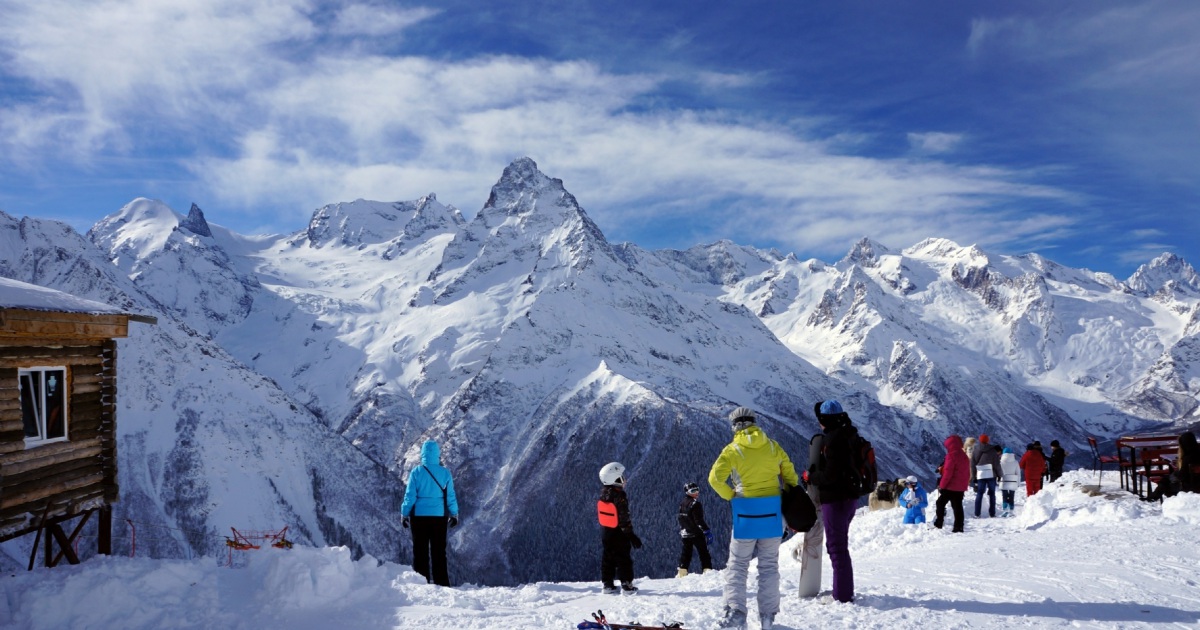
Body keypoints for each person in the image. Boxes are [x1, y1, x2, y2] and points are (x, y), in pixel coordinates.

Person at [709, 406, 798, 630]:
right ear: (754, 422)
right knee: (769, 566)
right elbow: (790, 477)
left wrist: (733, 496)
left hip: (746, 514)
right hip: (772, 514)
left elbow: (715, 480)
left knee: (738, 565)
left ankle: (736, 612)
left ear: (735, 426)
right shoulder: (772, 446)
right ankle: (768, 617)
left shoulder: (732, 450)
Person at [807, 400, 864, 604]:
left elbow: (830, 475)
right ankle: (842, 590)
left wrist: (811, 477)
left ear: (825, 419)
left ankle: (842, 595)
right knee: (840, 544)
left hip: (836, 498)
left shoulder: (833, 439)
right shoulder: (850, 434)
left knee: (837, 547)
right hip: (850, 497)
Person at [400, 439, 459, 586]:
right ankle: (442, 583)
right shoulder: (445, 473)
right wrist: (454, 513)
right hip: (439, 517)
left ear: (423, 454)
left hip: (419, 518)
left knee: (420, 552)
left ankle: (421, 583)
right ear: (438, 455)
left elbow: (410, 496)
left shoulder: (417, 472)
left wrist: (404, 513)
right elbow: (450, 496)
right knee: (439, 552)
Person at [597, 461, 642, 594]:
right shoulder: (619, 496)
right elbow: (623, 517)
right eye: (621, 477)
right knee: (623, 559)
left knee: (608, 558)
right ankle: (627, 586)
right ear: (614, 479)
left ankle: (608, 585)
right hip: (619, 533)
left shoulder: (604, 493)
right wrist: (631, 535)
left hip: (606, 531)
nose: (624, 480)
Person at [1144, 431, 1199, 502]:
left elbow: (1181, 476)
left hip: (1189, 488)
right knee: (1167, 479)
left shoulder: (1187, 458)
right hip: (1195, 485)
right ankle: (1153, 497)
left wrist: (1175, 474)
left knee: (1165, 481)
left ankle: (1153, 498)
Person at [676, 482, 713, 577]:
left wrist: (683, 529)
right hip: (696, 533)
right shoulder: (695, 504)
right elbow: (698, 521)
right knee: (704, 553)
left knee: (686, 553)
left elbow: (681, 518)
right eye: (693, 491)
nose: (696, 492)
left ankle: (682, 574)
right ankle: (707, 573)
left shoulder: (683, 503)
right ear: (687, 492)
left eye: (697, 489)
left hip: (685, 533)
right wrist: (706, 531)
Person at [934, 435, 970, 533]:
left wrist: (942, 485)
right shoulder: (964, 456)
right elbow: (967, 472)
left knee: (940, 503)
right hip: (960, 487)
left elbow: (948, 473)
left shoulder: (951, 455)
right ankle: (959, 527)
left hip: (950, 486)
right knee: (958, 507)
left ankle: (939, 523)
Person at [972, 434, 1001, 518]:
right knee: (992, 493)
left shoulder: (976, 450)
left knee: (980, 493)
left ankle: (977, 513)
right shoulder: (992, 450)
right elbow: (997, 464)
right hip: (991, 474)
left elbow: (972, 464)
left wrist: (974, 476)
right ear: (988, 440)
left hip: (980, 474)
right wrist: (999, 475)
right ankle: (992, 513)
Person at [998, 447, 1020, 517]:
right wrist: (1018, 483)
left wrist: (998, 481)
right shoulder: (1015, 462)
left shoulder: (1000, 462)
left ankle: (1005, 510)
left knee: (1004, 496)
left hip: (1003, 480)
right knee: (1011, 496)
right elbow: (1018, 473)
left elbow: (998, 472)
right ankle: (1011, 510)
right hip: (1013, 481)